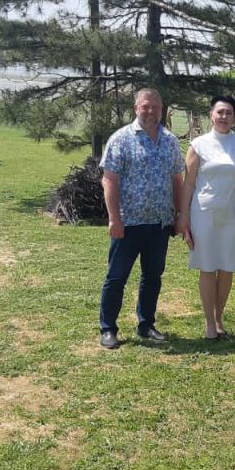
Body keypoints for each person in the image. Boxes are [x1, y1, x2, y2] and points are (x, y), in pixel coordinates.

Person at [99, 88, 185, 349]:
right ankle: (108, 328)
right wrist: (114, 219)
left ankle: (146, 324)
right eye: (145, 106)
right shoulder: (121, 139)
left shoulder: (170, 141)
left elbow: (177, 179)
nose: (150, 111)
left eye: (155, 107)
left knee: (152, 276)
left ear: (162, 110)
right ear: (136, 108)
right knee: (117, 277)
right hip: (128, 223)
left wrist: (179, 214)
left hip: (159, 224)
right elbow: (109, 180)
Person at [178, 95, 235, 340]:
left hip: (231, 215)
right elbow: (188, 185)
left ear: (234, 118)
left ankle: (219, 317)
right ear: (211, 115)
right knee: (208, 267)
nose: (224, 117)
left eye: (229, 113)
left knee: (227, 268)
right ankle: (209, 323)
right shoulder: (198, 145)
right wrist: (184, 217)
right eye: (220, 112)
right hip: (204, 214)